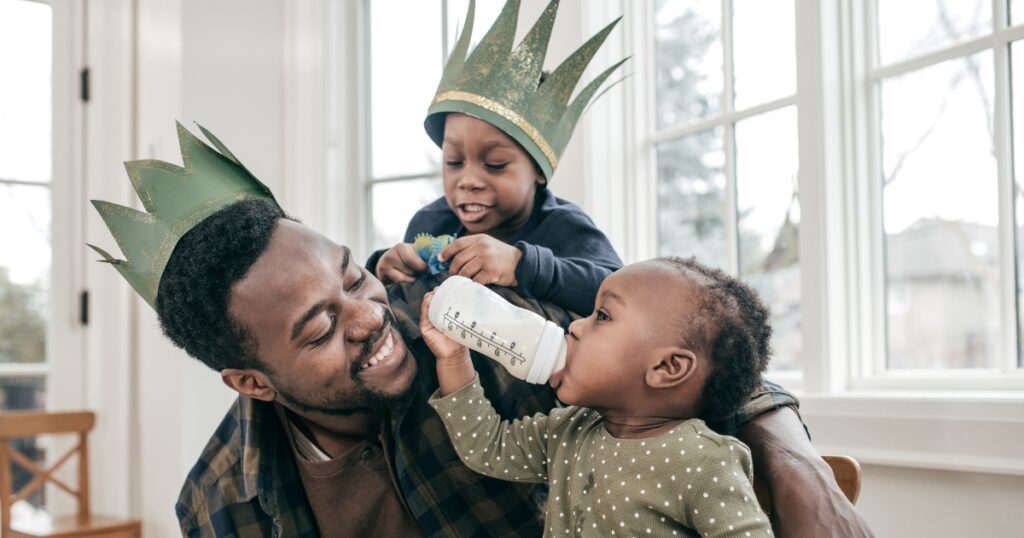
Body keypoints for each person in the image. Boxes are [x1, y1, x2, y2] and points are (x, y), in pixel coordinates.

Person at [91, 124, 872, 536]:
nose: (371, 317)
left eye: (353, 275)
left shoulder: (487, 337)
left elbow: (687, 353)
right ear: (251, 380)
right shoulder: (222, 504)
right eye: (322, 325)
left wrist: (794, 460)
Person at [420, 257, 775, 536]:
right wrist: (452, 358)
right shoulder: (569, 431)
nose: (574, 325)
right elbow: (488, 448)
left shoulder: (704, 462)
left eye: (602, 316)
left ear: (667, 368)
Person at [366, 0, 625, 316]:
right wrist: (383, 268)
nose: (469, 181)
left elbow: (620, 292)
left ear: (539, 171)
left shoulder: (563, 225)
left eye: (495, 165)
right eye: (454, 161)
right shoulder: (430, 222)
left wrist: (521, 266)